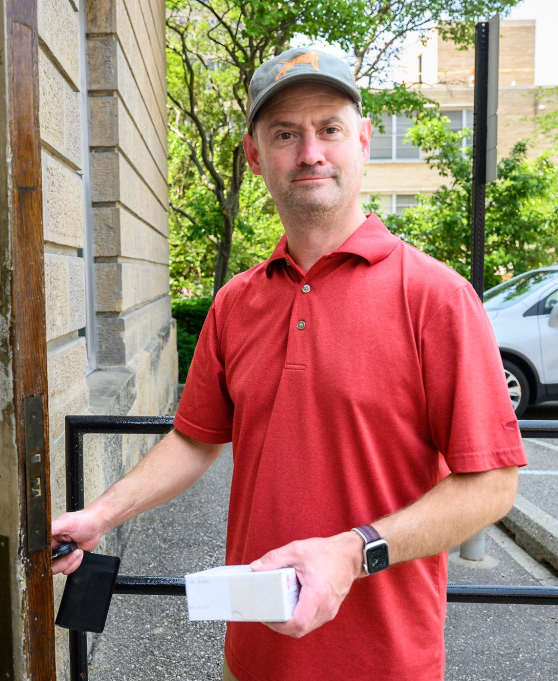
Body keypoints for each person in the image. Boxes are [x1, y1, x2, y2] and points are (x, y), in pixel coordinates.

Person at [51, 46, 527, 681]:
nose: (310, 152)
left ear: (360, 139)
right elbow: (195, 441)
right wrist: (100, 516)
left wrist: (355, 552)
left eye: (329, 129)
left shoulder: (435, 297)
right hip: (253, 658)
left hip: (385, 662)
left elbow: (492, 484)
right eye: (285, 134)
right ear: (255, 156)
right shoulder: (236, 303)